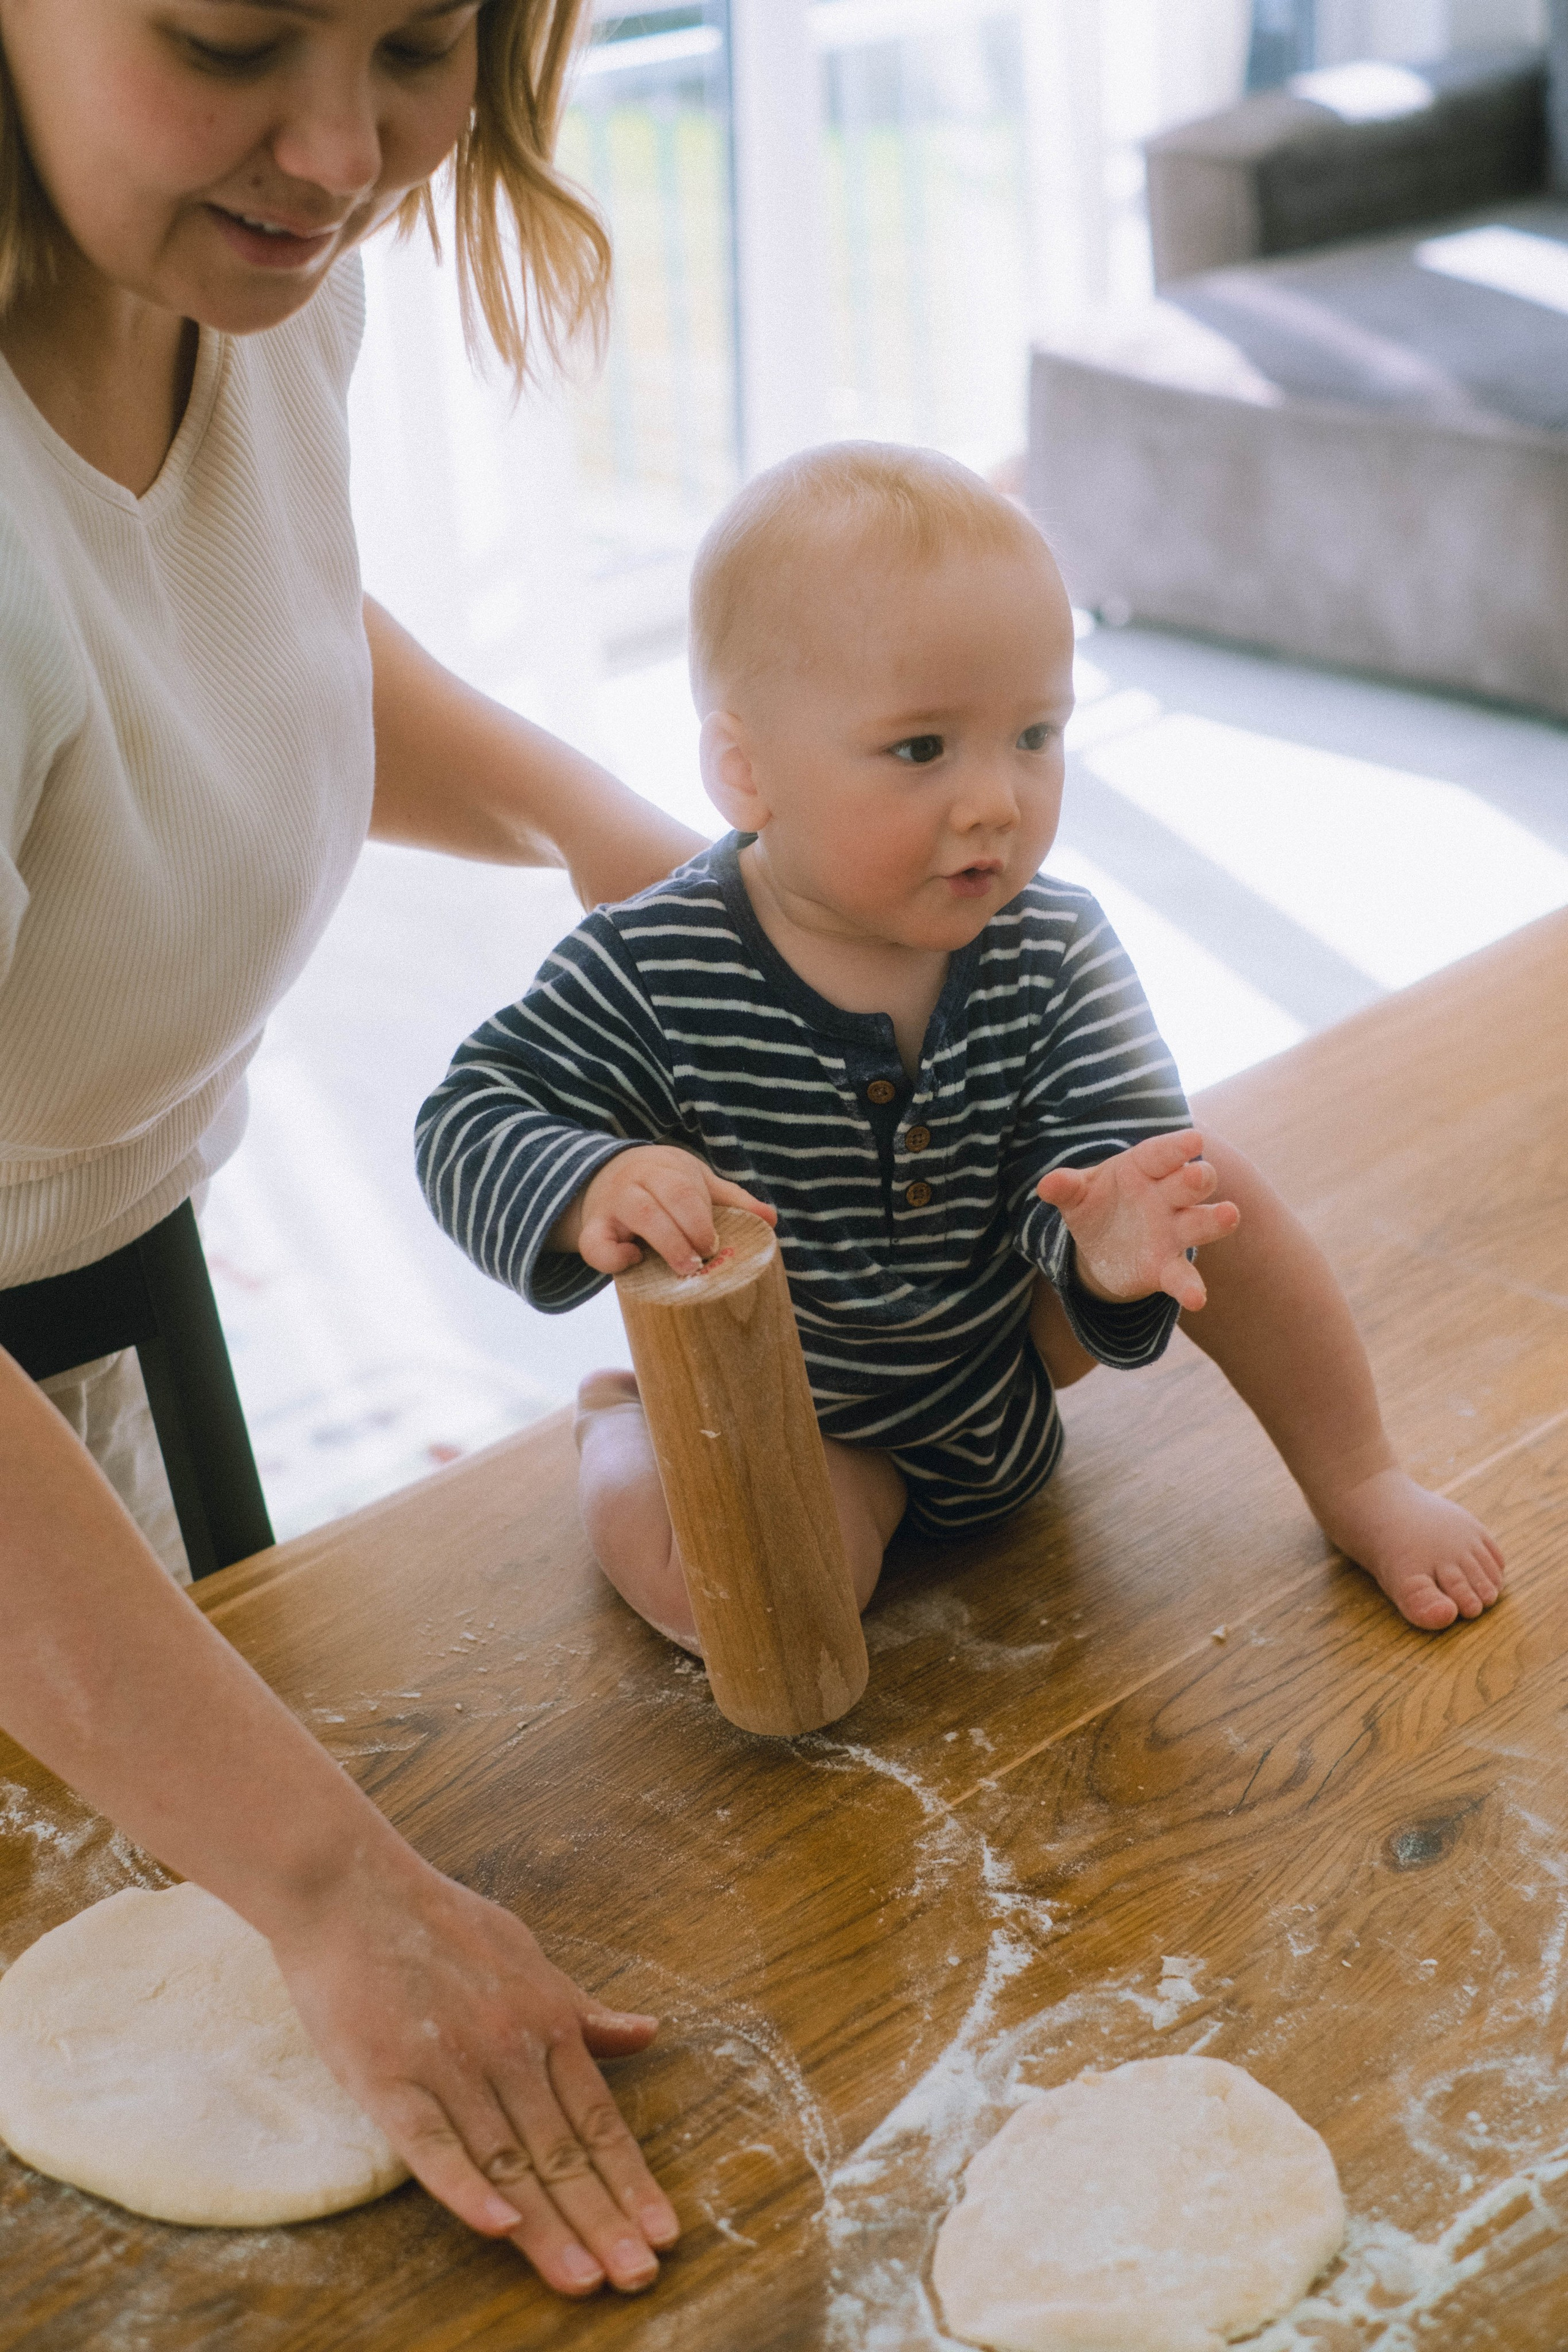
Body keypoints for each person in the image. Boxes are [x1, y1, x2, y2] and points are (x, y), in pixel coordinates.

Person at [0, 0, 701, 2300]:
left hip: (87, 1332)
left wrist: (601, 827)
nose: (341, 148)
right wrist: (337, 1889)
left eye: (421, 41)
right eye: (226, 36)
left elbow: (232, 617)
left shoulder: (238, 257)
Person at [417, 442, 1506, 1647]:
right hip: (805, 1419)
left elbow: (1102, 1141)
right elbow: (471, 1112)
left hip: (1004, 1373)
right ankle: (620, 1434)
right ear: (744, 769)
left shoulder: (1052, 944)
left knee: (1203, 1182)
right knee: (771, 1603)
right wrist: (592, 1183)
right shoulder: (651, 963)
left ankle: (1359, 1478)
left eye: (1033, 735)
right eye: (922, 749)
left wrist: (1105, 1231)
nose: (995, 798)